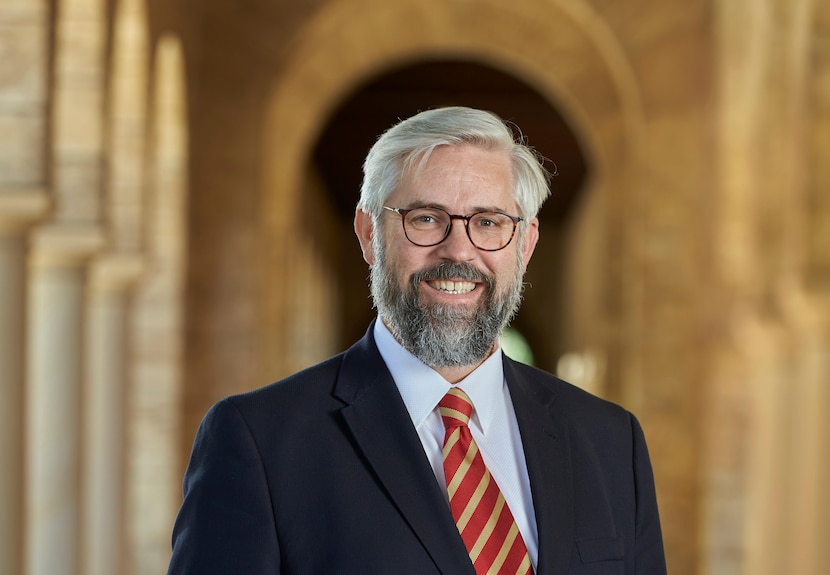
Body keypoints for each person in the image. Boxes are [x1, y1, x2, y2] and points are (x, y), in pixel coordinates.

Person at [167, 106, 667, 574]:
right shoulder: (259, 441)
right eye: (425, 218)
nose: (459, 250)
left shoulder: (611, 441)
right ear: (369, 234)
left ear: (526, 243)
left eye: (489, 222)